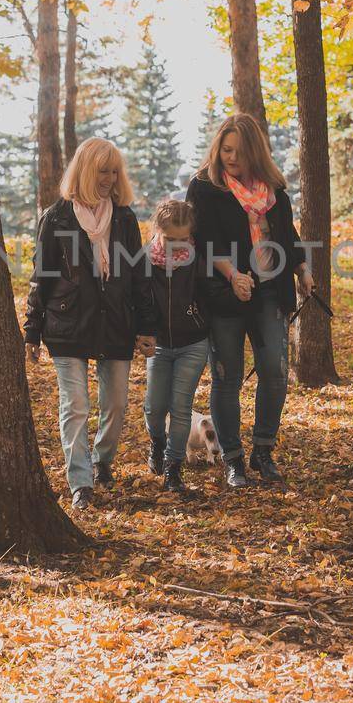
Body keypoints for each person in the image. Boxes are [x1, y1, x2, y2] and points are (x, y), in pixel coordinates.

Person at [25, 138, 154, 509]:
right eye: (102, 170)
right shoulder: (57, 217)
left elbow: (140, 275)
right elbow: (42, 275)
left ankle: (102, 460)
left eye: (114, 171)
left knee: (115, 404)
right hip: (68, 323)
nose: (110, 178)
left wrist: (146, 327)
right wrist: (32, 330)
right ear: (84, 170)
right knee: (76, 404)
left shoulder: (125, 218)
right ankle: (80, 481)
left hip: (116, 322)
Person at [186, 113, 313, 487]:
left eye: (239, 152)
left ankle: (262, 450)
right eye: (226, 150)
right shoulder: (205, 187)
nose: (231, 158)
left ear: (254, 152)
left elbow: (288, 232)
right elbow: (203, 239)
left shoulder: (273, 189)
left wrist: (302, 267)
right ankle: (233, 459)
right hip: (224, 293)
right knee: (227, 377)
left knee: (274, 372)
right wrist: (233, 275)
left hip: (271, 291)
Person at [142, 198, 209, 497]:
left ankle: (173, 469)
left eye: (183, 239)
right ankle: (157, 442)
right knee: (155, 408)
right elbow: (138, 299)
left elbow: (209, 294)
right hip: (159, 344)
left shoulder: (197, 257)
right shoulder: (144, 259)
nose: (176, 246)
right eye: (170, 239)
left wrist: (198, 315)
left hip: (192, 342)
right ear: (158, 230)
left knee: (181, 408)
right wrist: (142, 331)